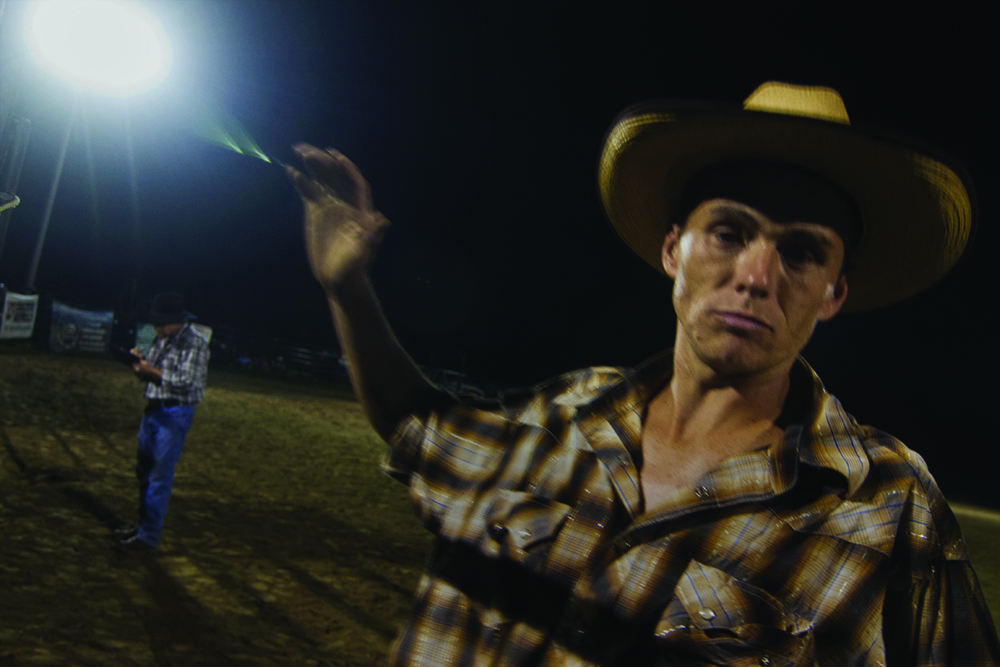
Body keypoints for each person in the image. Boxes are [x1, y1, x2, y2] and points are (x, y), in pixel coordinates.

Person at [286, 82, 999, 665]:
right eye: (728, 232)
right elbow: (421, 428)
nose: (755, 276)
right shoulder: (567, 408)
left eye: (803, 252)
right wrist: (347, 288)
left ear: (834, 293)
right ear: (672, 249)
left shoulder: (886, 504)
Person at [114, 291, 210, 553]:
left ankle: (148, 536)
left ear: (176, 321)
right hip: (155, 409)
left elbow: (189, 382)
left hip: (174, 414)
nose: (155, 328)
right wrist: (141, 363)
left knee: (158, 475)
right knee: (145, 471)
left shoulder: (195, 344)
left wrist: (151, 372)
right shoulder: (163, 338)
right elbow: (157, 370)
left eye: (159, 324)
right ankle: (143, 527)